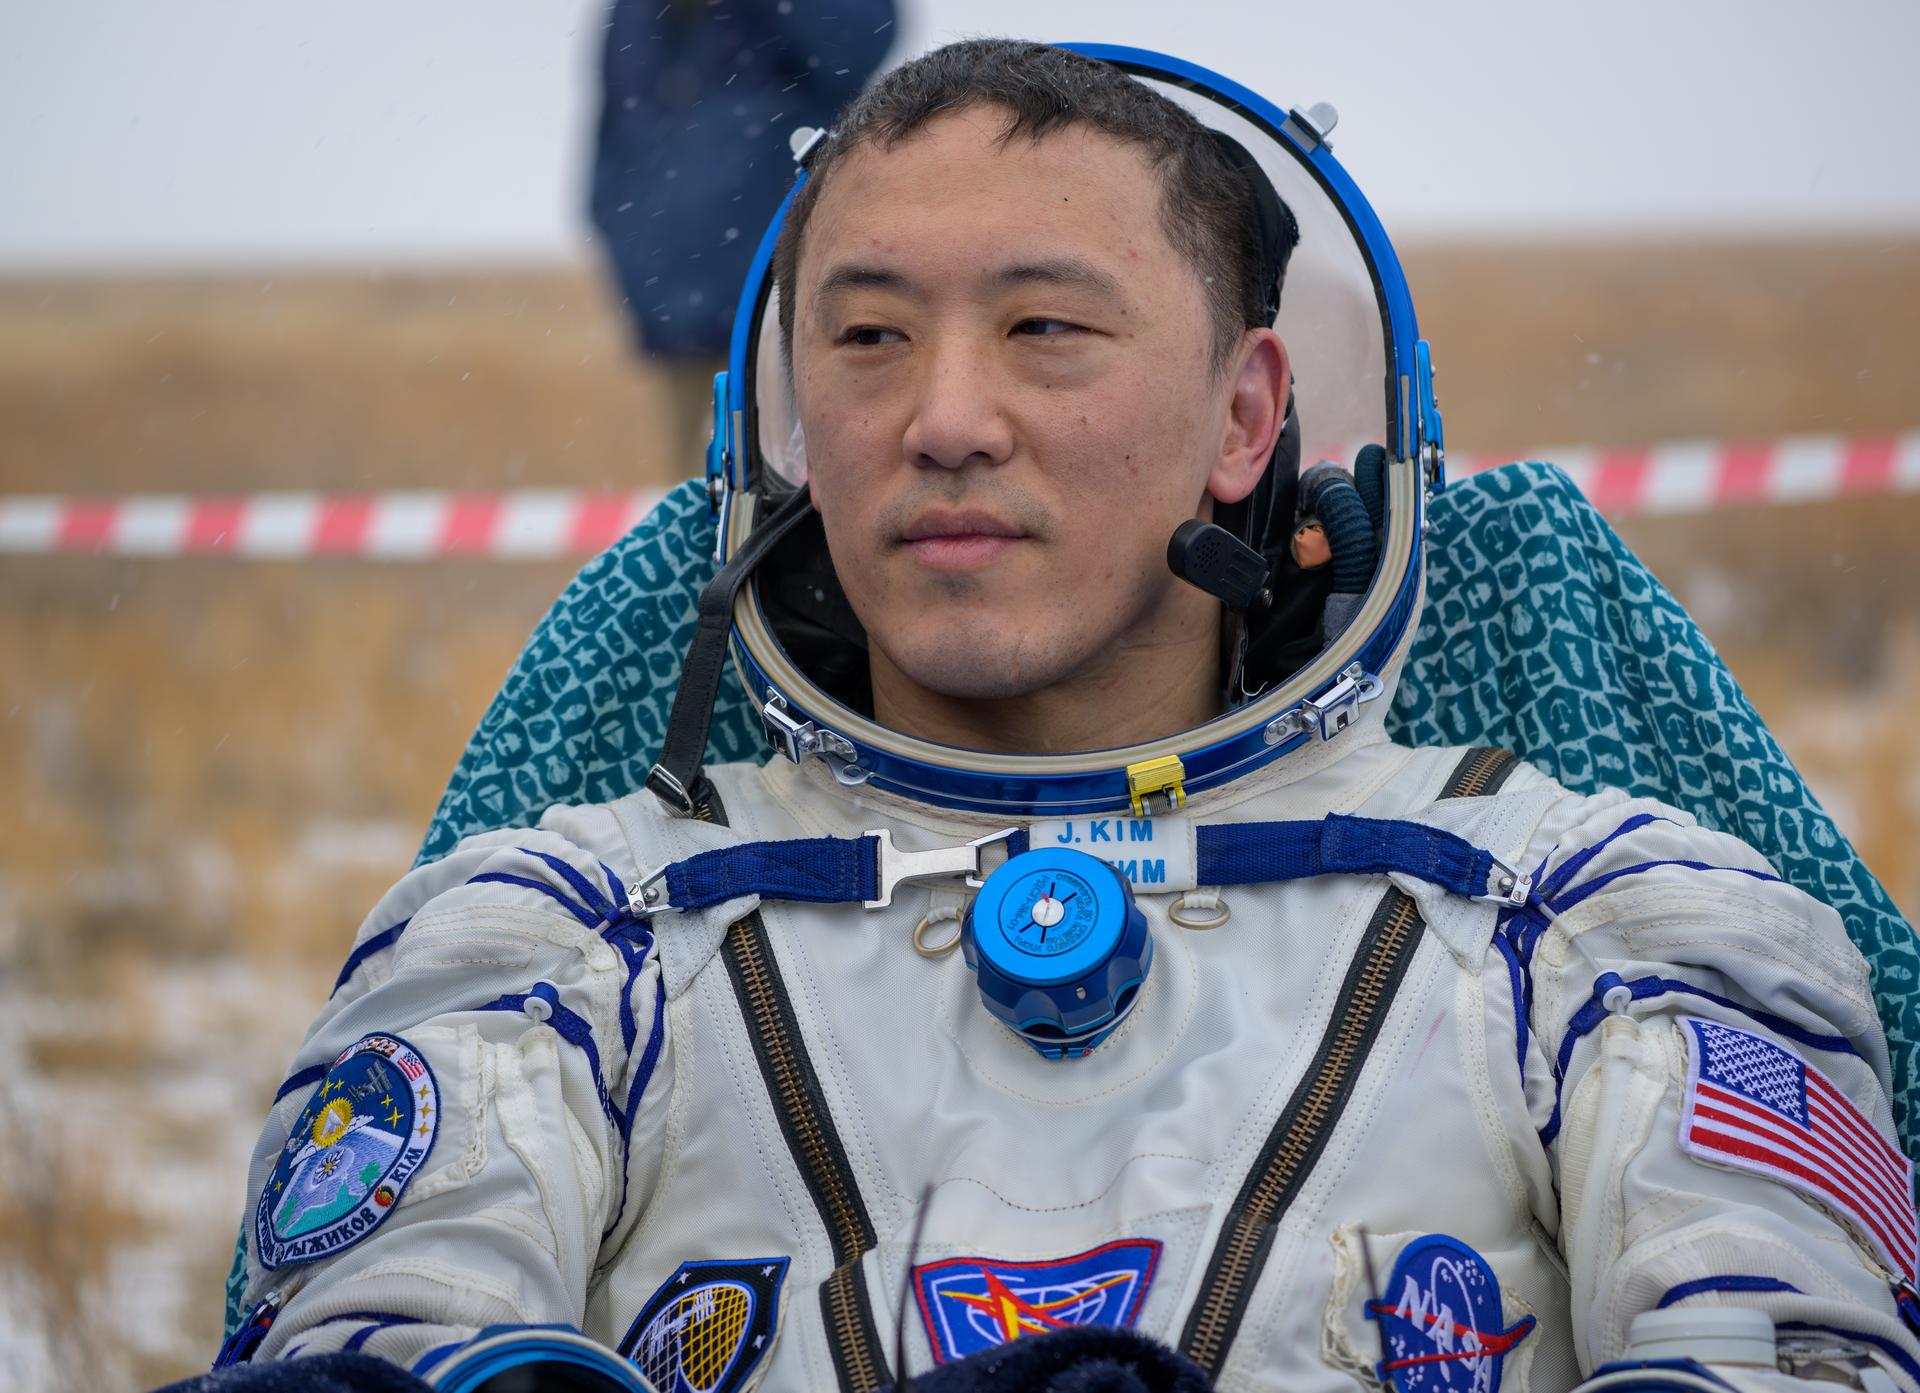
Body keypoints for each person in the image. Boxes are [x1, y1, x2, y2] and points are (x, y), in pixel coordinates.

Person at [212, 40, 1920, 1393]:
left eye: (1046, 328)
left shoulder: (1600, 920)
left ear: (1247, 413)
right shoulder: (555, 940)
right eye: (868, 336)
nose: (946, 417)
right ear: (797, 420)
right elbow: (383, 1323)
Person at [590, 0, 896, 474]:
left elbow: (856, 45)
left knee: (796, 500)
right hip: (677, 322)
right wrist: (637, 261)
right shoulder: (633, 12)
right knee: (694, 512)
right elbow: (614, 145)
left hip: (789, 316)